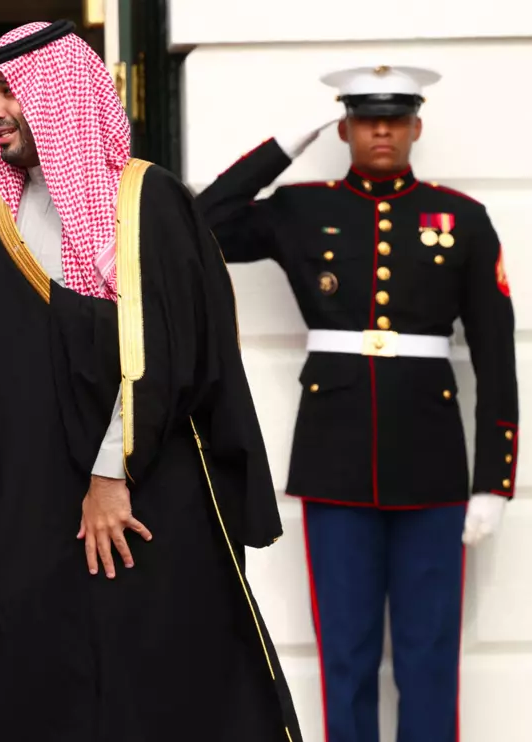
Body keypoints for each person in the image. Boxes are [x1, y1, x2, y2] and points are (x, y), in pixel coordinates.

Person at [0, 20, 302, 742]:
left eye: (8, 89)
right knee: (30, 683)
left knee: (154, 690)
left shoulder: (146, 203)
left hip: (143, 503)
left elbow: (164, 348)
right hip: (24, 508)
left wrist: (110, 476)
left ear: (61, 95)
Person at [196, 65, 517, 741]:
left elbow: (494, 356)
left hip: (432, 467)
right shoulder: (300, 209)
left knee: (429, 657)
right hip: (335, 461)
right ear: (342, 128)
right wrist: (285, 143)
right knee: (344, 654)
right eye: (366, 118)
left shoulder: (461, 219)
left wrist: (492, 480)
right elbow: (202, 225)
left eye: (394, 119)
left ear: (414, 128)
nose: (380, 130)